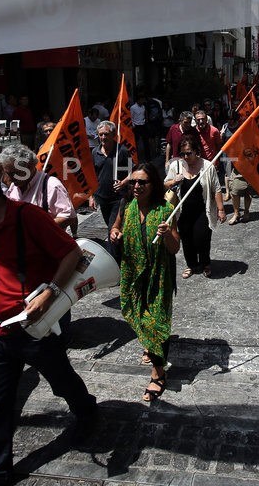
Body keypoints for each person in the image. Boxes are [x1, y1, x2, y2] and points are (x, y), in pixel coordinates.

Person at [0, 157, 99, 486]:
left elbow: (71, 253)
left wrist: (50, 293)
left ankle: (87, 411)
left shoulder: (27, 217)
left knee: (62, 381)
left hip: (33, 329)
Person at [109, 163, 180, 402]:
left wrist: (168, 233)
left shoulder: (165, 210)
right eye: (133, 182)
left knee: (158, 322)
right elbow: (116, 228)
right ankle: (150, 346)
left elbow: (175, 248)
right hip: (133, 274)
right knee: (140, 316)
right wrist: (115, 233)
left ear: (154, 185)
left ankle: (158, 374)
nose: (137, 186)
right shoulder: (127, 206)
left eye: (142, 182)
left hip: (159, 276)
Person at [164, 134, 225, 279]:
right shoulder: (176, 166)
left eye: (188, 153)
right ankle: (191, 264)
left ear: (196, 151)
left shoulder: (207, 166)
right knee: (186, 238)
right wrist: (174, 181)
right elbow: (165, 184)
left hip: (203, 210)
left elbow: (216, 188)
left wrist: (221, 209)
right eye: (182, 153)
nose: (185, 156)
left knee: (201, 237)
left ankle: (205, 263)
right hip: (183, 211)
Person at [0, 144, 78, 236]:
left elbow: (69, 217)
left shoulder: (51, 186)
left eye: (14, 173)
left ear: (30, 167)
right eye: (7, 174)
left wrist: (37, 228)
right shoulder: (14, 187)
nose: (10, 179)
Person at [89, 121, 131, 261]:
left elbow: (134, 172)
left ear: (113, 135)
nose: (103, 137)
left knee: (113, 228)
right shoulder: (95, 152)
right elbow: (92, 175)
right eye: (100, 134)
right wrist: (91, 196)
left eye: (106, 134)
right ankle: (122, 251)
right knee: (112, 227)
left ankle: (114, 262)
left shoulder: (122, 151)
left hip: (118, 198)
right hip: (102, 197)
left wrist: (123, 182)